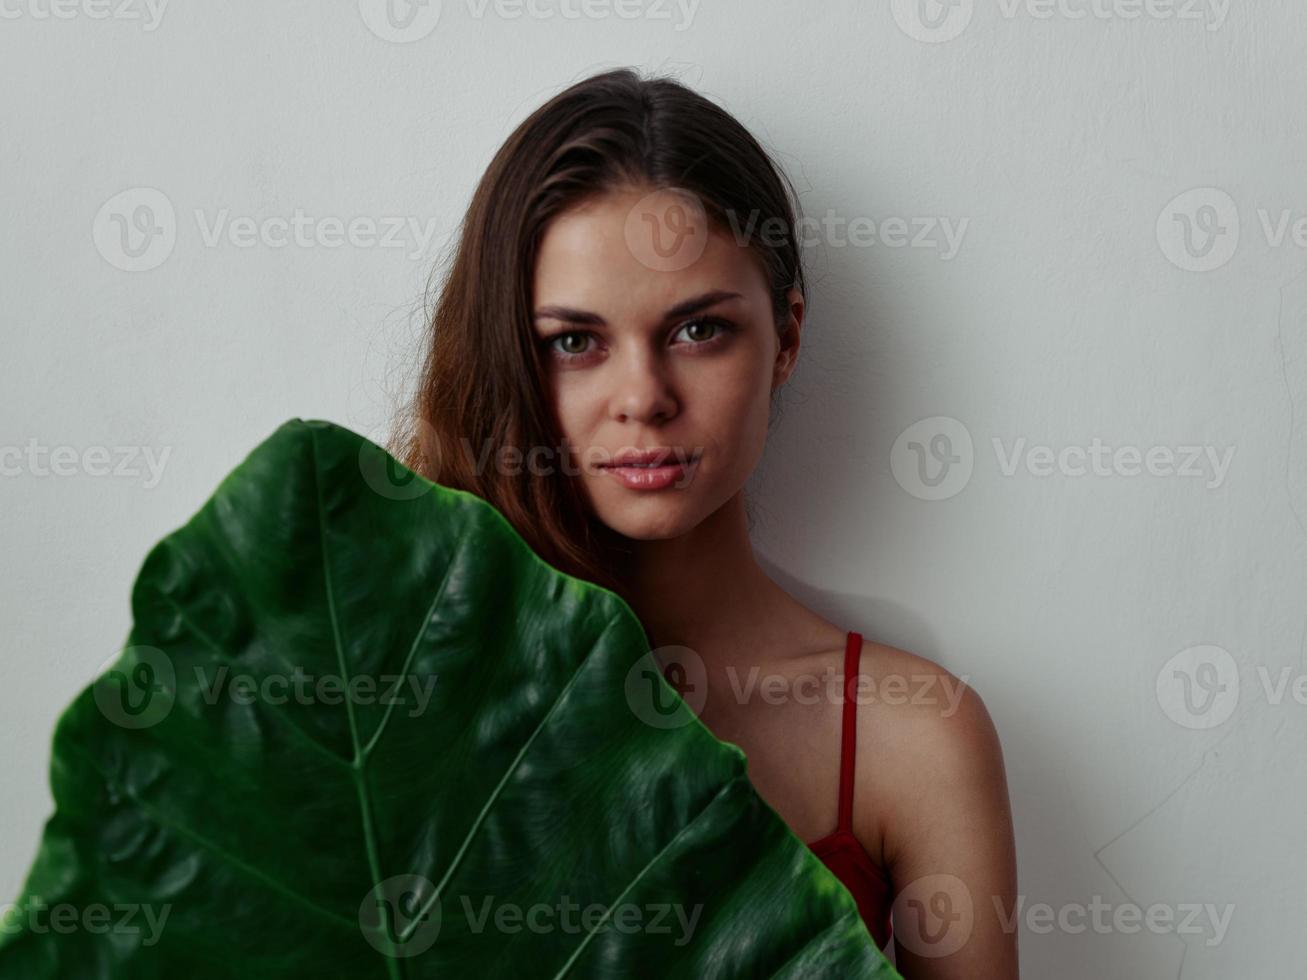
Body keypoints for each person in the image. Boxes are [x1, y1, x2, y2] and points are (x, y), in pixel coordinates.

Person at [390, 65, 1019, 978]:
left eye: (697, 330)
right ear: (508, 363)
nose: (642, 398)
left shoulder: (911, 734)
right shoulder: (405, 695)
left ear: (787, 338)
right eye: (574, 343)